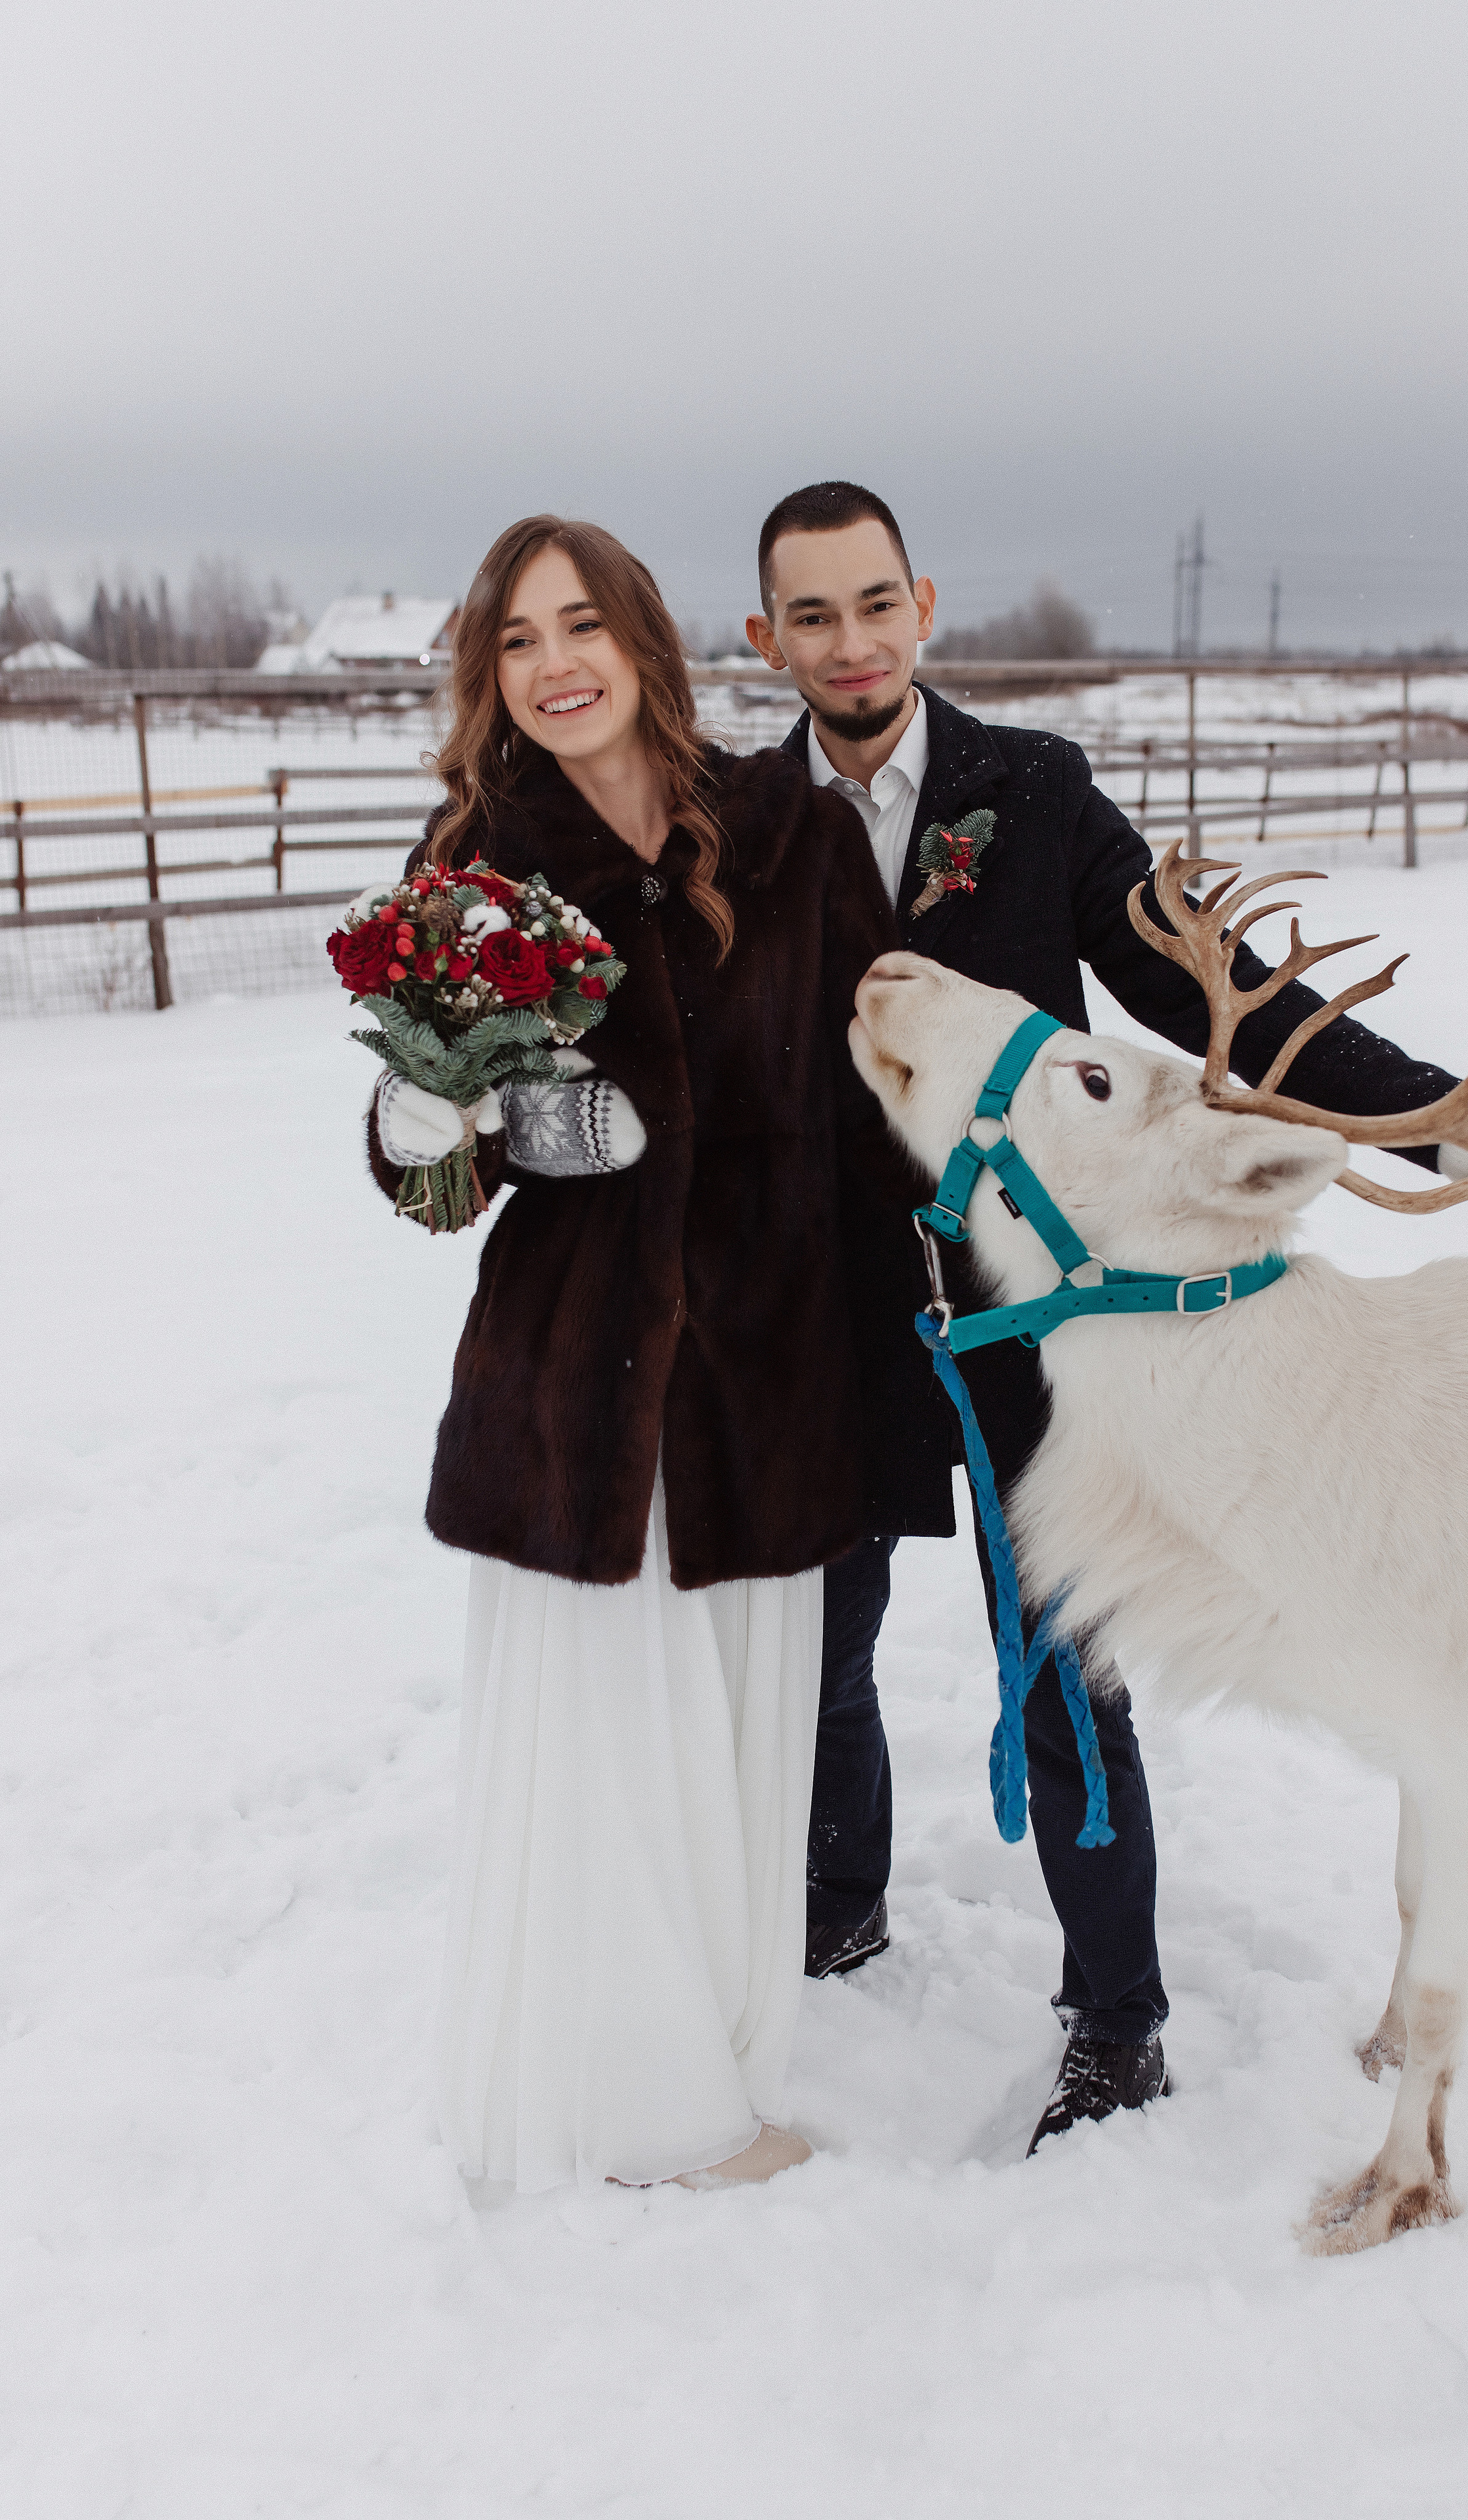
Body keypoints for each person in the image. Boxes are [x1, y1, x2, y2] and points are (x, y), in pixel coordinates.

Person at [745, 478, 1468, 2152]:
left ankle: (1114, 2024)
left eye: (871, 604)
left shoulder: (1031, 791)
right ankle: (834, 1903)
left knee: (1067, 1674)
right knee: (814, 1649)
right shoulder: (735, 817)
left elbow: (1211, 995)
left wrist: (1439, 1119)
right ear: (763, 632)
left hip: (1033, 1325)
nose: (847, 643)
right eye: (808, 614)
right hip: (816, 1318)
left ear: (921, 602)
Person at [365, 514, 948, 2192]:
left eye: (578, 628)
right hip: (583, 1386)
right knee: (608, 1753)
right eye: (514, 643)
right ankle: (642, 2110)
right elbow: (425, 1174)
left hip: (770, 1374)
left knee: (746, 1737)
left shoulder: (783, 832)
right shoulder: (476, 862)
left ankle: (717, 2055)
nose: (552, 667)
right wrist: (445, 1116)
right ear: (490, 677)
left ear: (641, 640)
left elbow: (869, 1112)